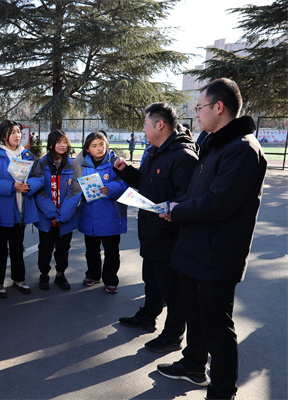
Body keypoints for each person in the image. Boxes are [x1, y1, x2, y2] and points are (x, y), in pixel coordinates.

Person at [156, 78, 267, 399]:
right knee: (194, 315)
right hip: (194, 248)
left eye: (200, 107)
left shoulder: (242, 149)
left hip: (217, 255)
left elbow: (219, 203)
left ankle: (222, 391)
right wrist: (176, 206)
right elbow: (197, 194)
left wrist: (178, 210)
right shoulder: (215, 144)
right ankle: (193, 365)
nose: (196, 113)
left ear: (219, 107)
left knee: (218, 328)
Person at [115, 102, 198, 352]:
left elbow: (189, 197)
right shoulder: (154, 151)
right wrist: (126, 171)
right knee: (151, 280)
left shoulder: (183, 156)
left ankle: (173, 334)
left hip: (169, 236)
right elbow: (145, 183)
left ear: (160, 125)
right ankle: (147, 316)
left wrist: (171, 207)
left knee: (171, 289)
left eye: (145, 124)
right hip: (150, 231)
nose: (143, 129)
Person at [0, 120, 43, 298]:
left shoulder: (27, 155)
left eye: (19, 132)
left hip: (21, 211)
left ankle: (19, 279)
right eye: (12, 132)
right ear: (4, 136)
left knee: (18, 247)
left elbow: (39, 177)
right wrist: (13, 186)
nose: (17, 135)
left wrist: (28, 186)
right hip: (2, 212)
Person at [71, 132, 128, 294]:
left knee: (112, 252)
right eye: (94, 146)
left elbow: (125, 183)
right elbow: (74, 186)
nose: (99, 148)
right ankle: (93, 275)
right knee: (91, 250)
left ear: (107, 145)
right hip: (89, 216)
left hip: (111, 216)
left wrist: (110, 188)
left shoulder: (116, 162)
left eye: (102, 144)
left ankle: (111, 280)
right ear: (87, 149)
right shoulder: (80, 164)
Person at [34, 130, 78, 290]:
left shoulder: (73, 165)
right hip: (47, 217)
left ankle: (60, 275)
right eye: (59, 142)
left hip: (66, 217)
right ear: (51, 144)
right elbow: (39, 191)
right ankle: (44, 274)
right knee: (45, 248)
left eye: (65, 142)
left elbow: (75, 191)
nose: (62, 145)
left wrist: (63, 215)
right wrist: (51, 213)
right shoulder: (41, 164)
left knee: (63, 248)